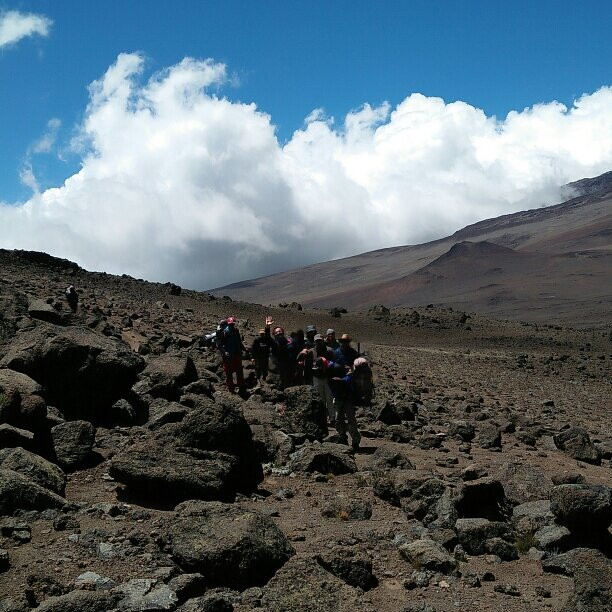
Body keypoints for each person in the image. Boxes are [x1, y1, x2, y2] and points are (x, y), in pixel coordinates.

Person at [327, 361, 361, 451]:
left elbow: (349, 379)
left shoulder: (347, 376)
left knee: (350, 419)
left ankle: (355, 440)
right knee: (339, 419)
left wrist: (341, 380)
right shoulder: (331, 375)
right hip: (339, 398)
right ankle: (342, 436)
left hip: (346, 399)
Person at [264, 316, 297, 389]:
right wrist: (267, 327)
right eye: (276, 332)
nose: (278, 333)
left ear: (283, 332)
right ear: (274, 335)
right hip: (281, 368)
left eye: (280, 331)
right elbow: (267, 338)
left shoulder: (290, 342)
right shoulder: (274, 344)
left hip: (292, 367)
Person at [216, 316, 245, 393]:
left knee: (239, 371)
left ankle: (241, 387)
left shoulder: (236, 331)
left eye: (233, 324)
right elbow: (219, 344)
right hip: (228, 355)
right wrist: (224, 351)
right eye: (230, 324)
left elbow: (239, 342)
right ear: (228, 324)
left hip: (236, 354)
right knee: (228, 372)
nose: (232, 325)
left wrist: (244, 349)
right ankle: (231, 389)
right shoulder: (223, 332)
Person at [312, 356, 336, 426]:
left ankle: (332, 419)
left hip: (327, 380)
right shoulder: (314, 367)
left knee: (330, 399)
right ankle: (322, 419)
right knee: (321, 400)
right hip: (317, 379)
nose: (319, 368)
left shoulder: (331, 366)